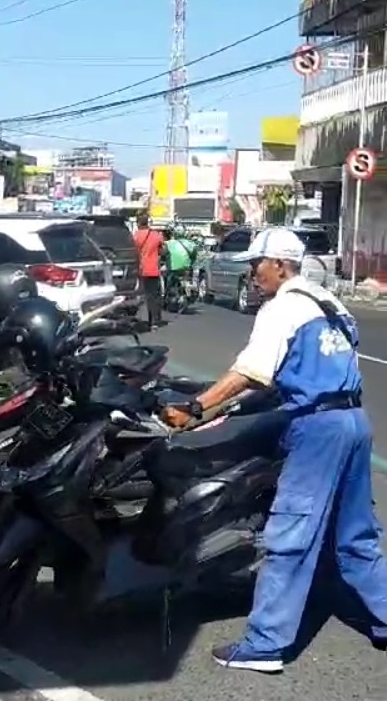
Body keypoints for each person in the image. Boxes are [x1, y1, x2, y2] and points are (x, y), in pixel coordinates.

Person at [163, 227, 387, 673]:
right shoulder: (332, 304)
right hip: (353, 422)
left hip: (316, 429)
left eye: (256, 265)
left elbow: (252, 371)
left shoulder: (282, 307)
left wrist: (195, 407)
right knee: (357, 536)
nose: (251, 273)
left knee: (291, 535)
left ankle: (266, 644)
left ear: (279, 265)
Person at [133, 213, 164, 330]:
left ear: (138, 223)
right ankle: (155, 320)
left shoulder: (135, 236)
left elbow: (133, 252)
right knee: (154, 295)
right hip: (154, 270)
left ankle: (143, 320)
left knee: (142, 296)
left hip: (141, 270)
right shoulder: (156, 235)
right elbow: (163, 250)